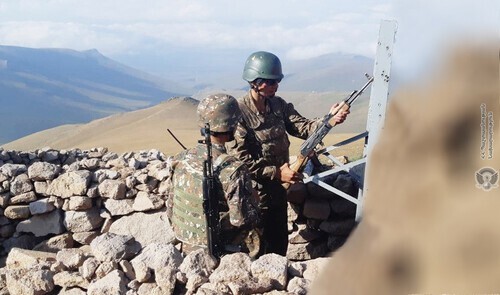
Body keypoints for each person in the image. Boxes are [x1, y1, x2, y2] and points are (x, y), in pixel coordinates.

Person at [228, 51, 350, 256]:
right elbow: (240, 161)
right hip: (254, 195)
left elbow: (304, 127)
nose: (276, 85)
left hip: (278, 191)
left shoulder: (278, 105)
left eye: (278, 81)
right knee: (258, 249)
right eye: (271, 81)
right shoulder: (239, 113)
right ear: (255, 82)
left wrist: (330, 119)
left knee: (279, 246)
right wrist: (276, 173)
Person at [167, 93, 261, 257]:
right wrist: (254, 201)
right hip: (221, 249)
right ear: (232, 125)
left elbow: (170, 208)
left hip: (185, 246)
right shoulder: (233, 170)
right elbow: (240, 220)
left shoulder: (179, 159)